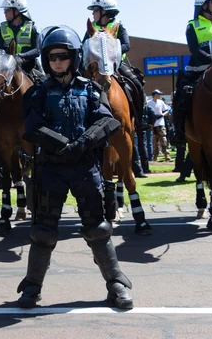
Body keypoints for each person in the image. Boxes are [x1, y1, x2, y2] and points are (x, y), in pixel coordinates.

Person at [18, 25, 133, 309]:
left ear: (73, 57)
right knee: (43, 231)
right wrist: (61, 144)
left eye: (63, 56)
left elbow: (107, 121)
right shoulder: (38, 93)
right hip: (50, 170)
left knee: (98, 228)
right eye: (52, 57)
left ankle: (116, 284)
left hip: (84, 168)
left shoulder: (91, 89)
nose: (57, 61)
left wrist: (81, 144)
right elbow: (32, 126)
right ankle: (31, 288)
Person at [173, 0, 212, 144]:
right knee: (182, 94)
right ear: (204, 6)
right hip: (199, 69)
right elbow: (194, 49)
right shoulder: (193, 25)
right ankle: (179, 131)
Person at [83, 0, 144, 125]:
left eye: (95, 10)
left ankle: (140, 119)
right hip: (95, 66)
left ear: (104, 11)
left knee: (137, 84)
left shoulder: (118, 25)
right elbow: (84, 46)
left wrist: (110, 52)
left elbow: (126, 45)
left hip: (116, 64)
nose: (93, 13)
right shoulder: (91, 27)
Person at [148, 89, 171, 162]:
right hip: (153, 124)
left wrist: (162, 115)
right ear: (155, 95)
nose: (160, 96)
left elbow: (167, 110)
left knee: (163, 139)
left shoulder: (161, 102)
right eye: (158, 94)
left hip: (160, 123)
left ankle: (166, 154)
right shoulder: (149, 103)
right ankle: (155, 156)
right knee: (154, 141)